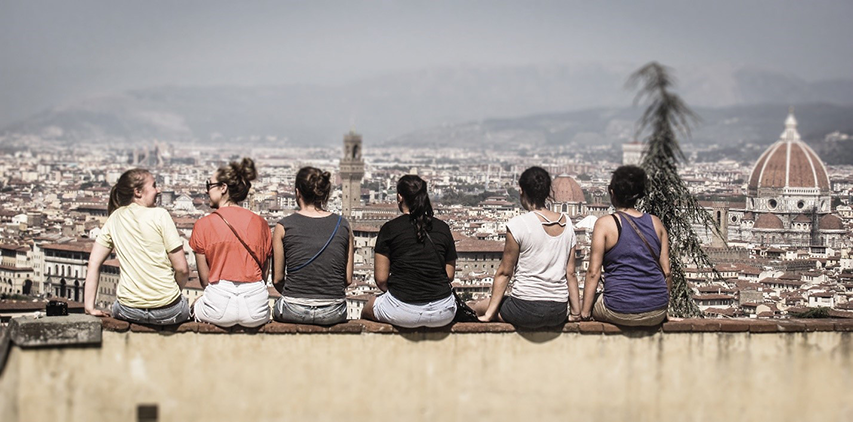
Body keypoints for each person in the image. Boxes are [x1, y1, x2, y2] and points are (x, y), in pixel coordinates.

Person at [473, 166, 581, 328]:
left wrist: (489, 315)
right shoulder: (567, 223)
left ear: (522, 191)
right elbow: (570, 273)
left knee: (478, 306)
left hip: (525, 309)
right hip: (558, 311)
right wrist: (576, 313)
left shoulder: (519, 224)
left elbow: (504, 273)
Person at [84, 168, 191, 325]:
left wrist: (89, 307)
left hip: (128, 310)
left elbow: (93, 263)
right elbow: (182, 269)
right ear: (138, 192)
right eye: (154, 186)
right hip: (168, 311)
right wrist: (171, 295)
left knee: (116, 307)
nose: (158, 190)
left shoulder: (115, 218)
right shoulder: (160, 215)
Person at [361, 175, 457, 328]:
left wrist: (401, 292)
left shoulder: (390, 229)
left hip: (402, 312)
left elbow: (381, 280)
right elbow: (449, 275)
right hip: (443, 312)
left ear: (400, 196)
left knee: (368, 308)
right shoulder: (443, 228)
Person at [580, 165, 671, 326]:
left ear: (612, 193)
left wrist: (585, 314)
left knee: (593, 299)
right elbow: (667, 273)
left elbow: (593, 273)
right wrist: (663, 309)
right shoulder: (656, 223)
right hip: (657, 311)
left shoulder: (605, 224)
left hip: (620, 310)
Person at [189, 158, 272, 328]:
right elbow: (264, 276)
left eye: (209, 185)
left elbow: (205, 281)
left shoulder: (203, 225)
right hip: (256, 311)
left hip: (218, 308)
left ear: (223, 188)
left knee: (192, 307)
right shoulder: (261, 224)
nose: (206, 191)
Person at [272, 167, 353, 325]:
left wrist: (298, 297)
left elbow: (277, 278)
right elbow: (348, 279)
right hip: (334, 311)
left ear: (297, 192)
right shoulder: (343, 225)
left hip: (293, 309)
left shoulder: (283, 226)